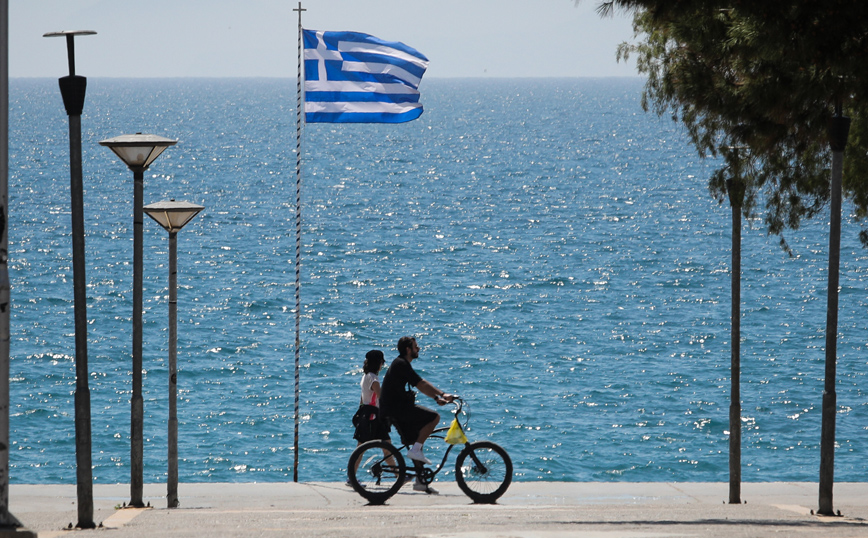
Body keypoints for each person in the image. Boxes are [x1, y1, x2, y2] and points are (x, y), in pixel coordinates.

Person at [380, 336, 455, 494]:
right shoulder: (401, 364)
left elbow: (420, 384)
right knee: (434, 417)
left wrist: (436, 398)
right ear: (408, 350)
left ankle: (420, 482)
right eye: (416, 346)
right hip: (396, 409)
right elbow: (420, 383)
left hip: (396, 408)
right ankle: (416, 451)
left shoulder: (402, 363)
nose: (418, 348)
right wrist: (442, 394)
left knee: (414, 442)